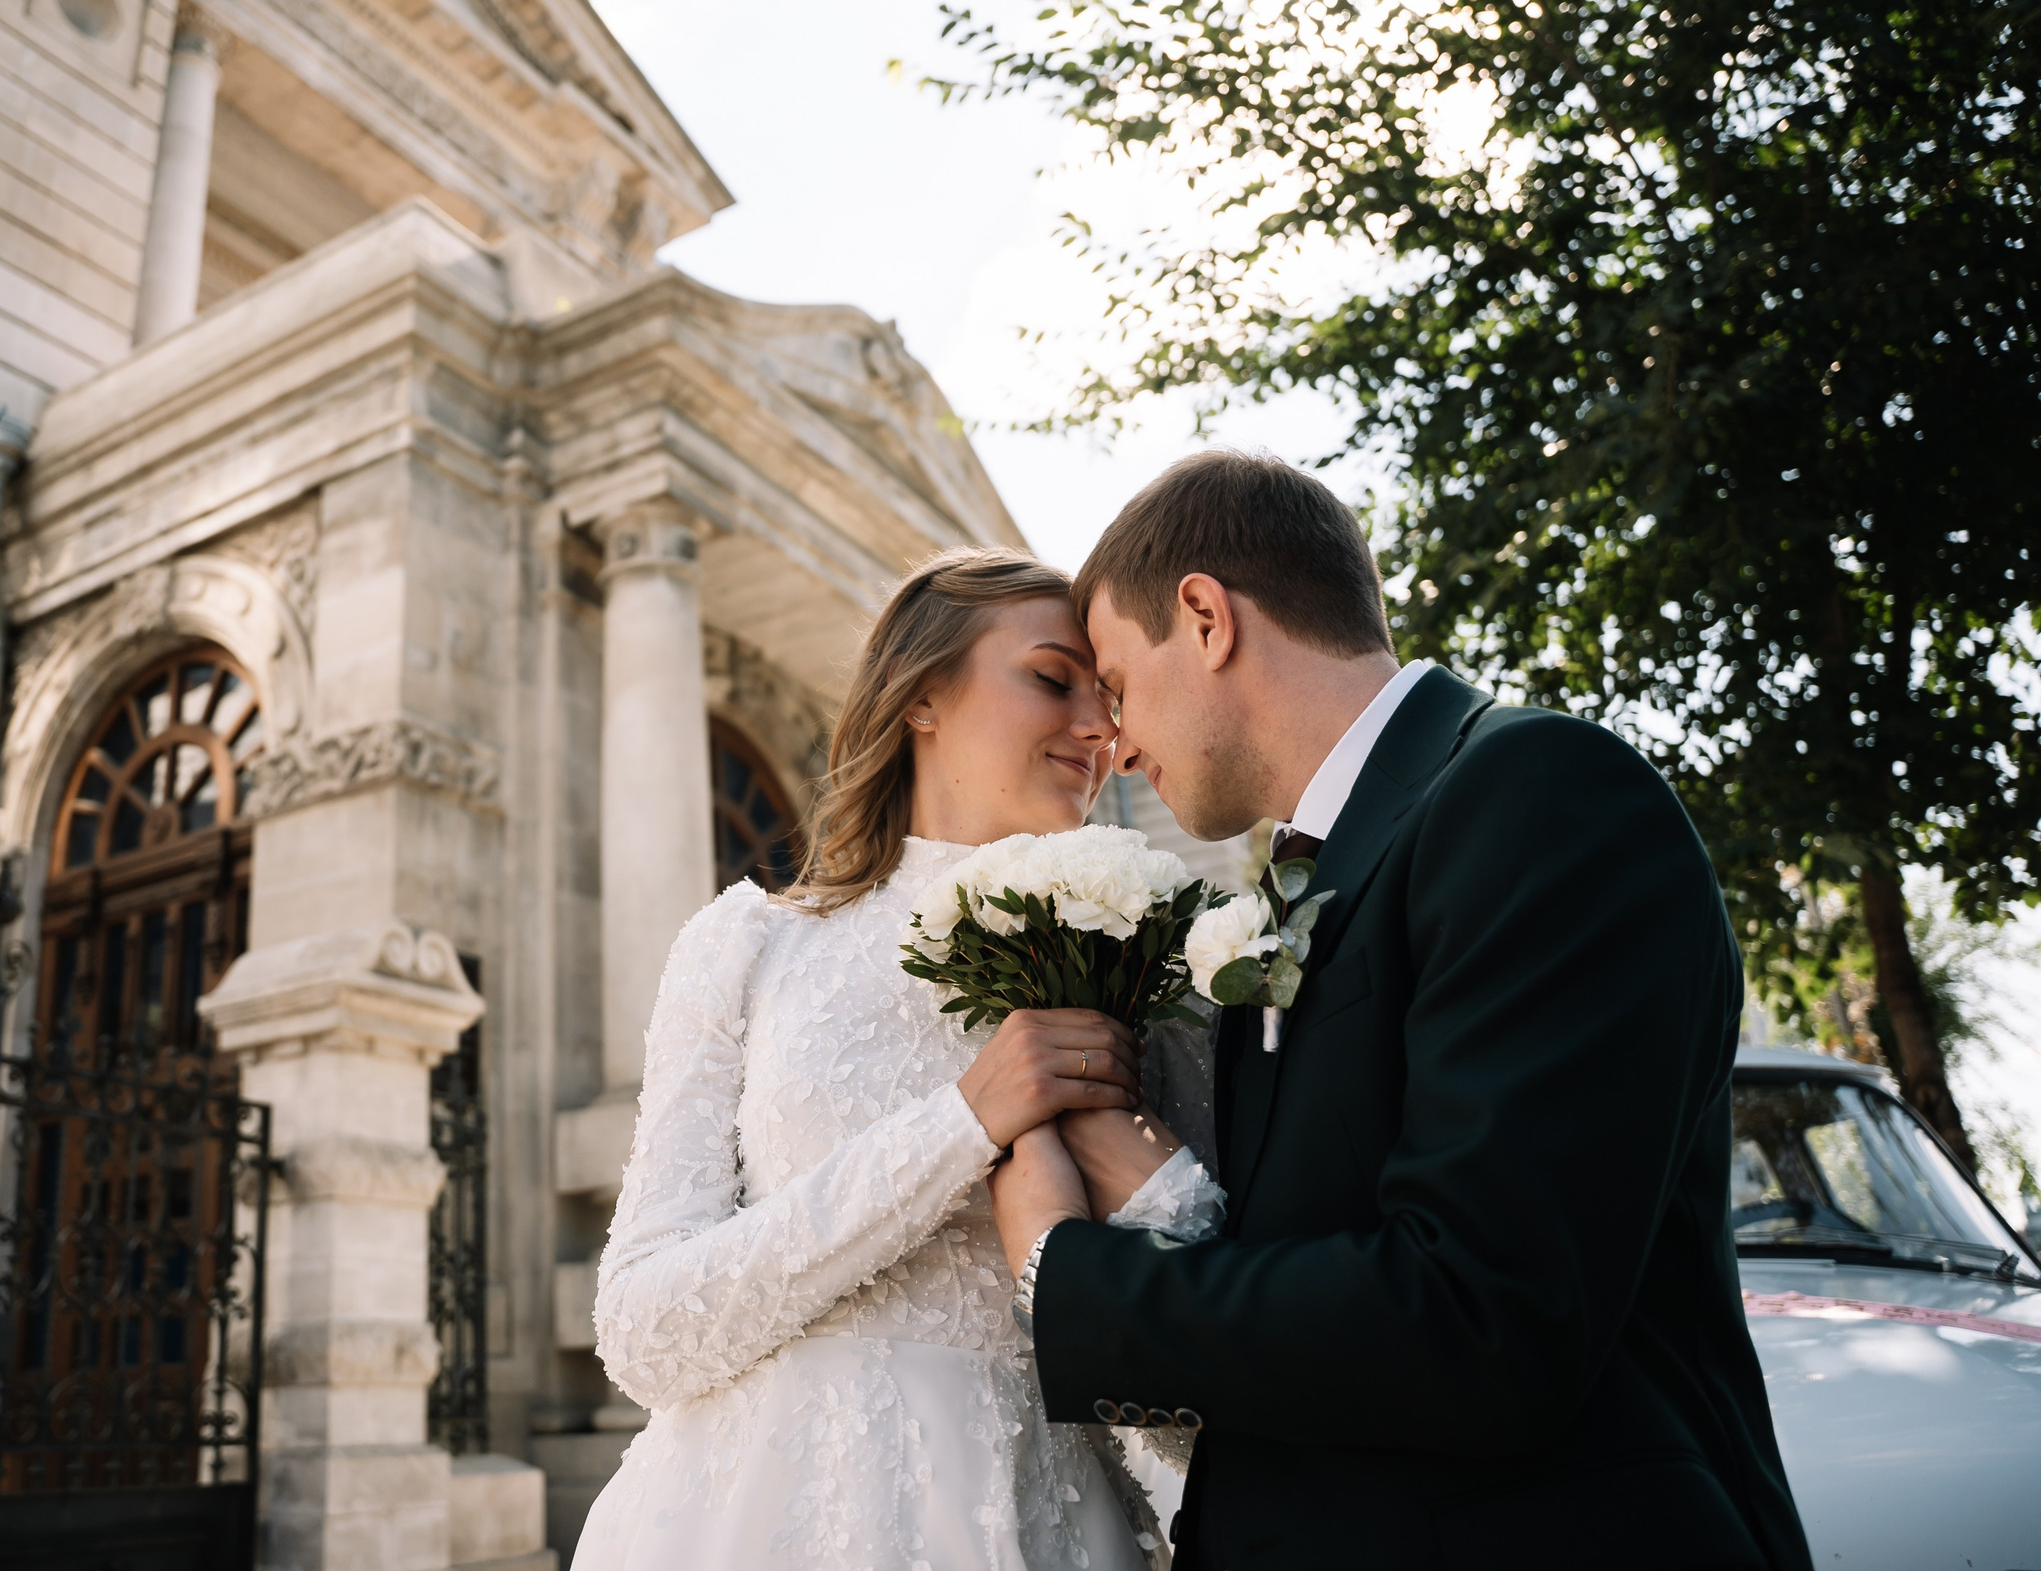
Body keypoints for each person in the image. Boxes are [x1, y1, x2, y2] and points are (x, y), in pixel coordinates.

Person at [990, 450, 1813, 1570]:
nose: (1118, 743)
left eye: (1123, 688)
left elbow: (1483, 1317)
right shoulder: (1299, 886)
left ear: (1204, 616)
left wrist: (1070, 1271)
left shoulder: (1537, 794)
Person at [574, 547, 1202, 1571]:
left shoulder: (1145, 970)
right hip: (757, 1520)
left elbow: (1203, 1392)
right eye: (1051, 679)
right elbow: (644, 1335)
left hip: (1047, 1523)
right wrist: (963, 1122)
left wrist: (1135, 1170)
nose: (1097, 728)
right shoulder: (750, 946)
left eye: (1109, 697)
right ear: (920, 695)